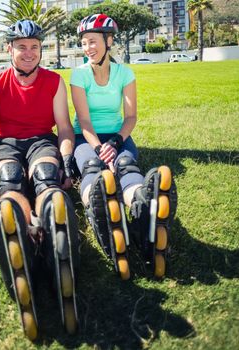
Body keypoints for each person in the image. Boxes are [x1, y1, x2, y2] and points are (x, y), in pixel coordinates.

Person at [0, 19, 79, 340]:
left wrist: (66, 160)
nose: (29, 53)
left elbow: (63, 128)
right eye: (22, 47)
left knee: (47, 177)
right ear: (10, 49)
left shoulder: (54, 82)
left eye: (34, 47)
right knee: (9, 177)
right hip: (6, 143)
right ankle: (23, 243)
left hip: (41, 141)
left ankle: (53, 244)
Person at [70, 14, 178, 279]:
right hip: (86, 137)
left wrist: (116, 142)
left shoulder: (125, 73)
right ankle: (101, 212)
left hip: (118, 134)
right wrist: (99, 148)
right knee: (93, 168)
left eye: (93, 41)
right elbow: (83, 120)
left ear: (109, 41)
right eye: (84, 43)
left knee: (126, 165)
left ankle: (143, 209)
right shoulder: (79, 74)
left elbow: (131, 117)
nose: (88, 48)